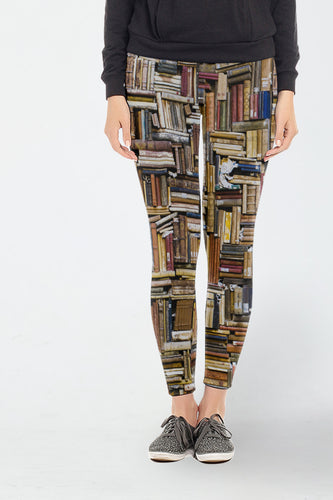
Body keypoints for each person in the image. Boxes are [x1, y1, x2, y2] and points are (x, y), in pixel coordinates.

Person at [101, 0, 300, 463]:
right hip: (154, 74)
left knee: (232, 247)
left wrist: (288, 85)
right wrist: (114, 89)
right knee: (171, 247)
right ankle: (180, 408)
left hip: (249, 74)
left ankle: (214, 409)